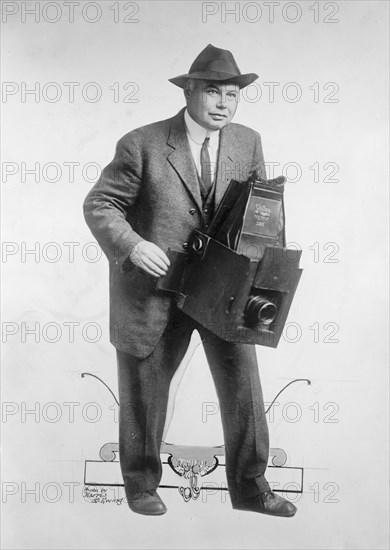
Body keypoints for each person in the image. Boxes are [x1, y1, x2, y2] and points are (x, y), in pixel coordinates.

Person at [83, 44, 297, 518]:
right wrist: (133, 245)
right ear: (191, 93)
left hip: (222, 291)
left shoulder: (248, 142)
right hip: (154, 292)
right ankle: (140, 486)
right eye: (214, 92)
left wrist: (266, 274)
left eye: (233, 95)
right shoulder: (142, 143)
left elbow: (260, 212)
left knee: (243, 387)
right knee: (144, 391)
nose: (224, 103)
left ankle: (251, 488)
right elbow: (100, 204)